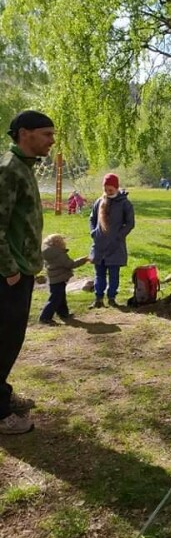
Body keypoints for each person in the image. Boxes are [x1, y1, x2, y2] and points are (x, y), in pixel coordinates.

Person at [0, 110, 56, 434]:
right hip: (9, 274)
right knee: (3, 341)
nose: (51, 140)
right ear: (25, 133)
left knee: (10, 341)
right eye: (46, 134)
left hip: (21, 271)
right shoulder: (9, 169)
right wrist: (10, 272)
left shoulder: (23, 167)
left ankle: (2, 395)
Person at [89, 173, 135, 308]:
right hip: (99, 244)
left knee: (114, 274)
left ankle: (112, 297)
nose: (108, 192)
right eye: (105, 189)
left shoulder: (124, 203)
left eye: (110, 189)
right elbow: (92, 219)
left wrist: (119, 236)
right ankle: (98, 298)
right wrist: (93, 233)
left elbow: (130, 223)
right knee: (99, 274)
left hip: (115, 245)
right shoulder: (99, 202)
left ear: (116, 188)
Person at [39, 234, 88, 324]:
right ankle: (45, 317)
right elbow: (70, 264)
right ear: (58, 243)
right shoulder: (59, 254)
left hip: (54, 279)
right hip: (59, 278)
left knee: (60, 297)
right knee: (55, 299)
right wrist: (83, 260)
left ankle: (63, 313)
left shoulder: (48, 252)